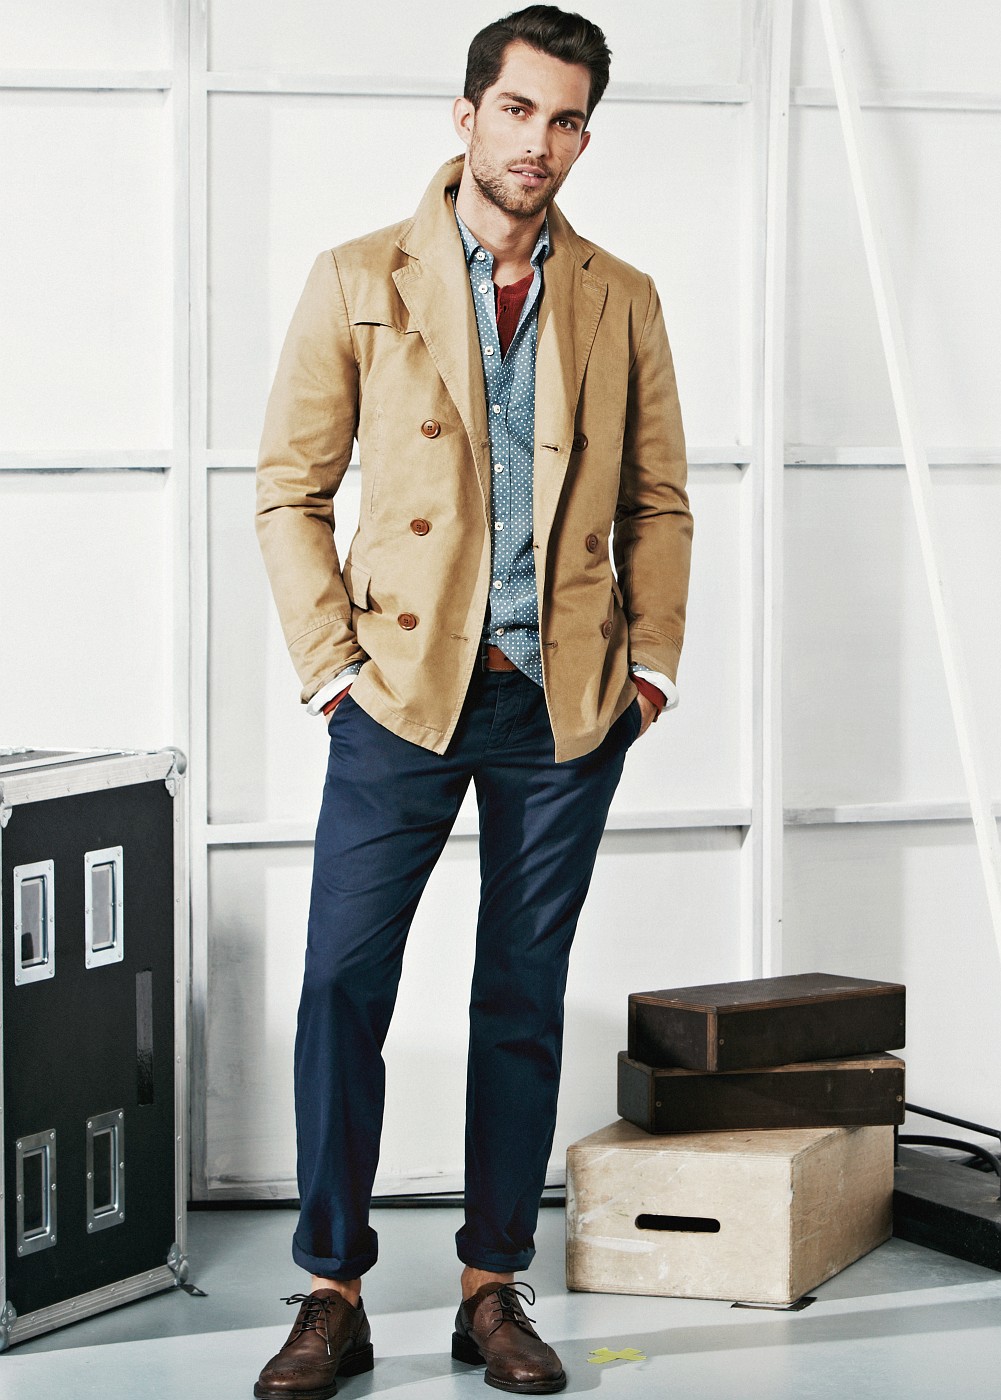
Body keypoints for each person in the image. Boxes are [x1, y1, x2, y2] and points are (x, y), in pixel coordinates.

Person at [253, 6, 691, 1395]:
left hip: (563, 708)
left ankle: (491, 1287)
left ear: (583, 137)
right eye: (517, 109)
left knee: (520, 996)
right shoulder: (355, 276)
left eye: (566, 120)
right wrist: (331, 666)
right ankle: (331, 1289)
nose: (538, 142)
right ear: (466, 114)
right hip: (397, 692)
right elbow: (289, 490)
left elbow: (658, 500)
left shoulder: (621, 295)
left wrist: (649, 668)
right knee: (342, 981)